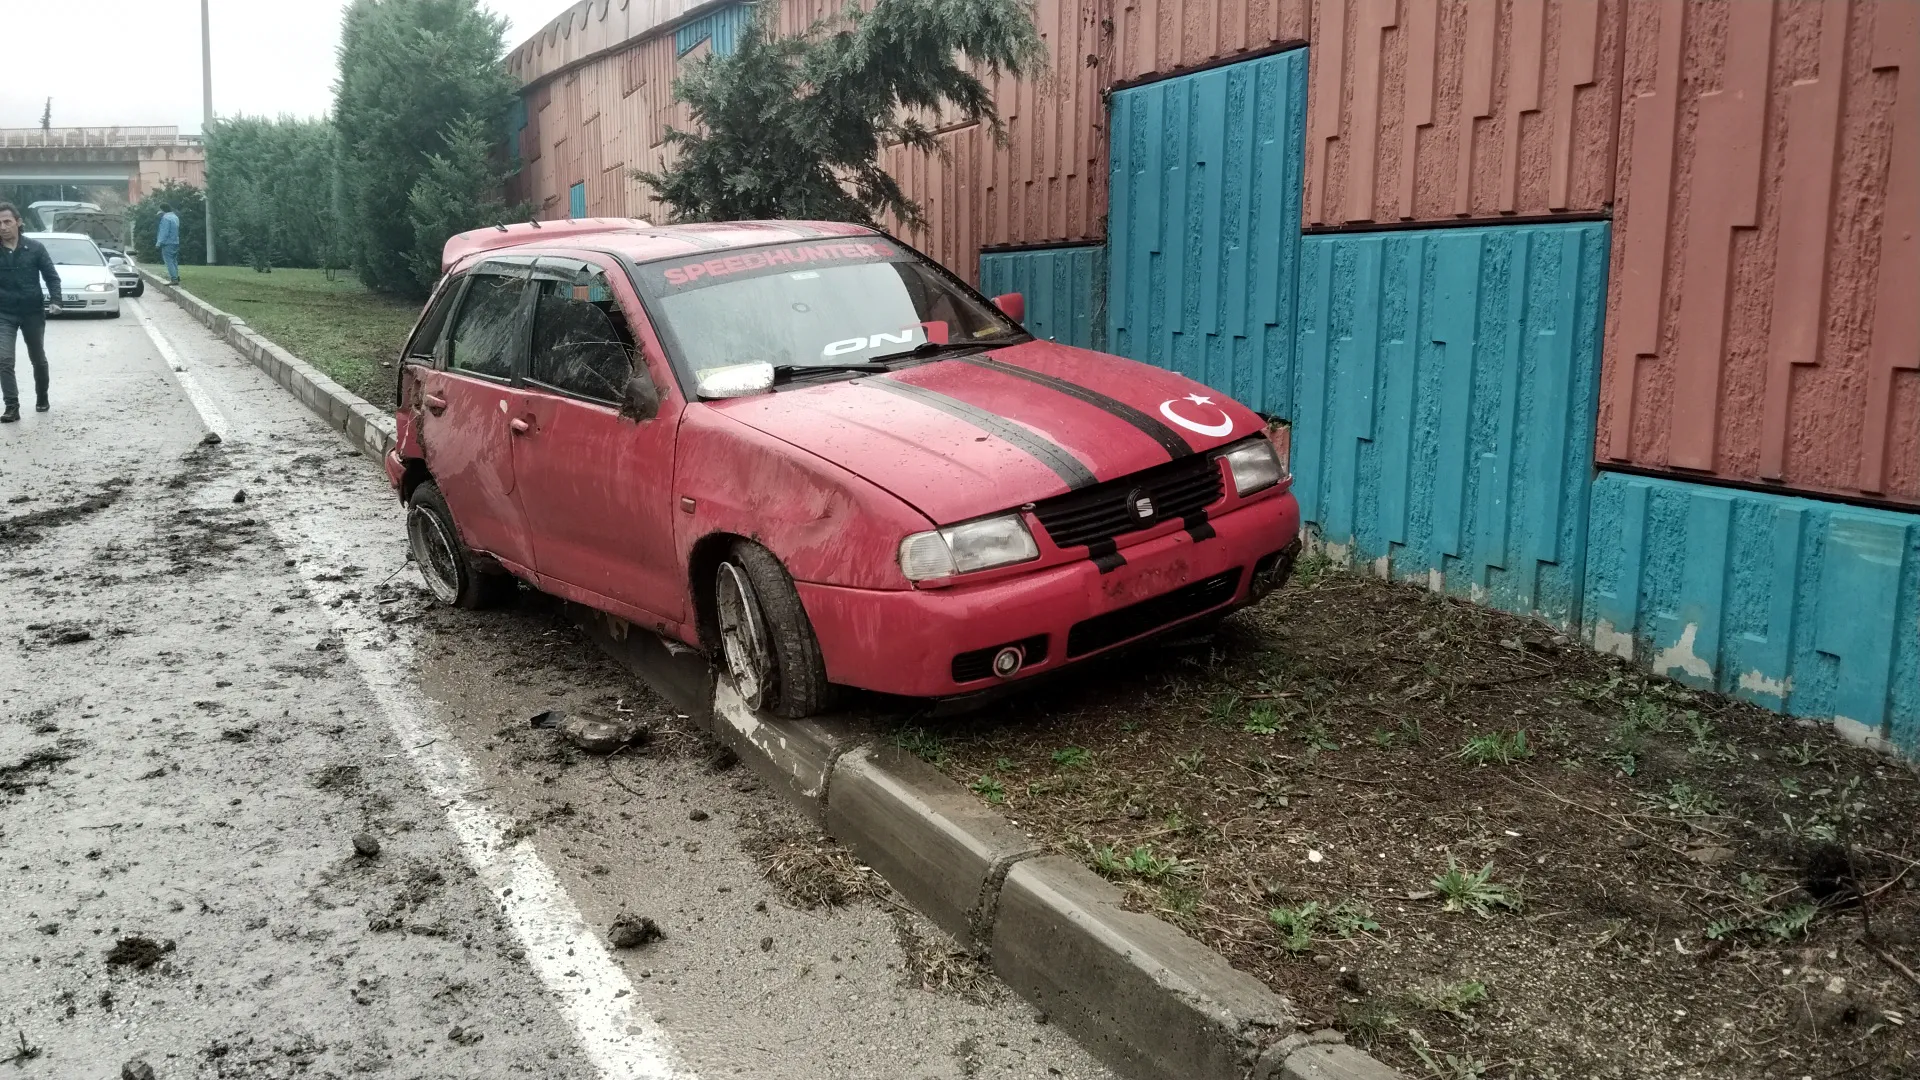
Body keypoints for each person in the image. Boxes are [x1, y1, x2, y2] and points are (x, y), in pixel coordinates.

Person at [0, 202, 60, 423]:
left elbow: (51, 277)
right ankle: (11, 406)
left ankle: (42, 396)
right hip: (4, 312)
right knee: (4, 359)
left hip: (32, 311)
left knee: (38, 358)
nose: (3, 227)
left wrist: (56, 300)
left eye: (7, 222)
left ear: (18, 222)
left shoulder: (35, 248)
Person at [157, 203, 181, 284]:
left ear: (163, 209)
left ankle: (174, 279)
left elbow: (164, 232)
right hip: (176, 241)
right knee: (174, 260)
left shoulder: (165, 218)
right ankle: (176, 276)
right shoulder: (175, 217)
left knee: (169, 261)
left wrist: (159, 242)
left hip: (167, 243)